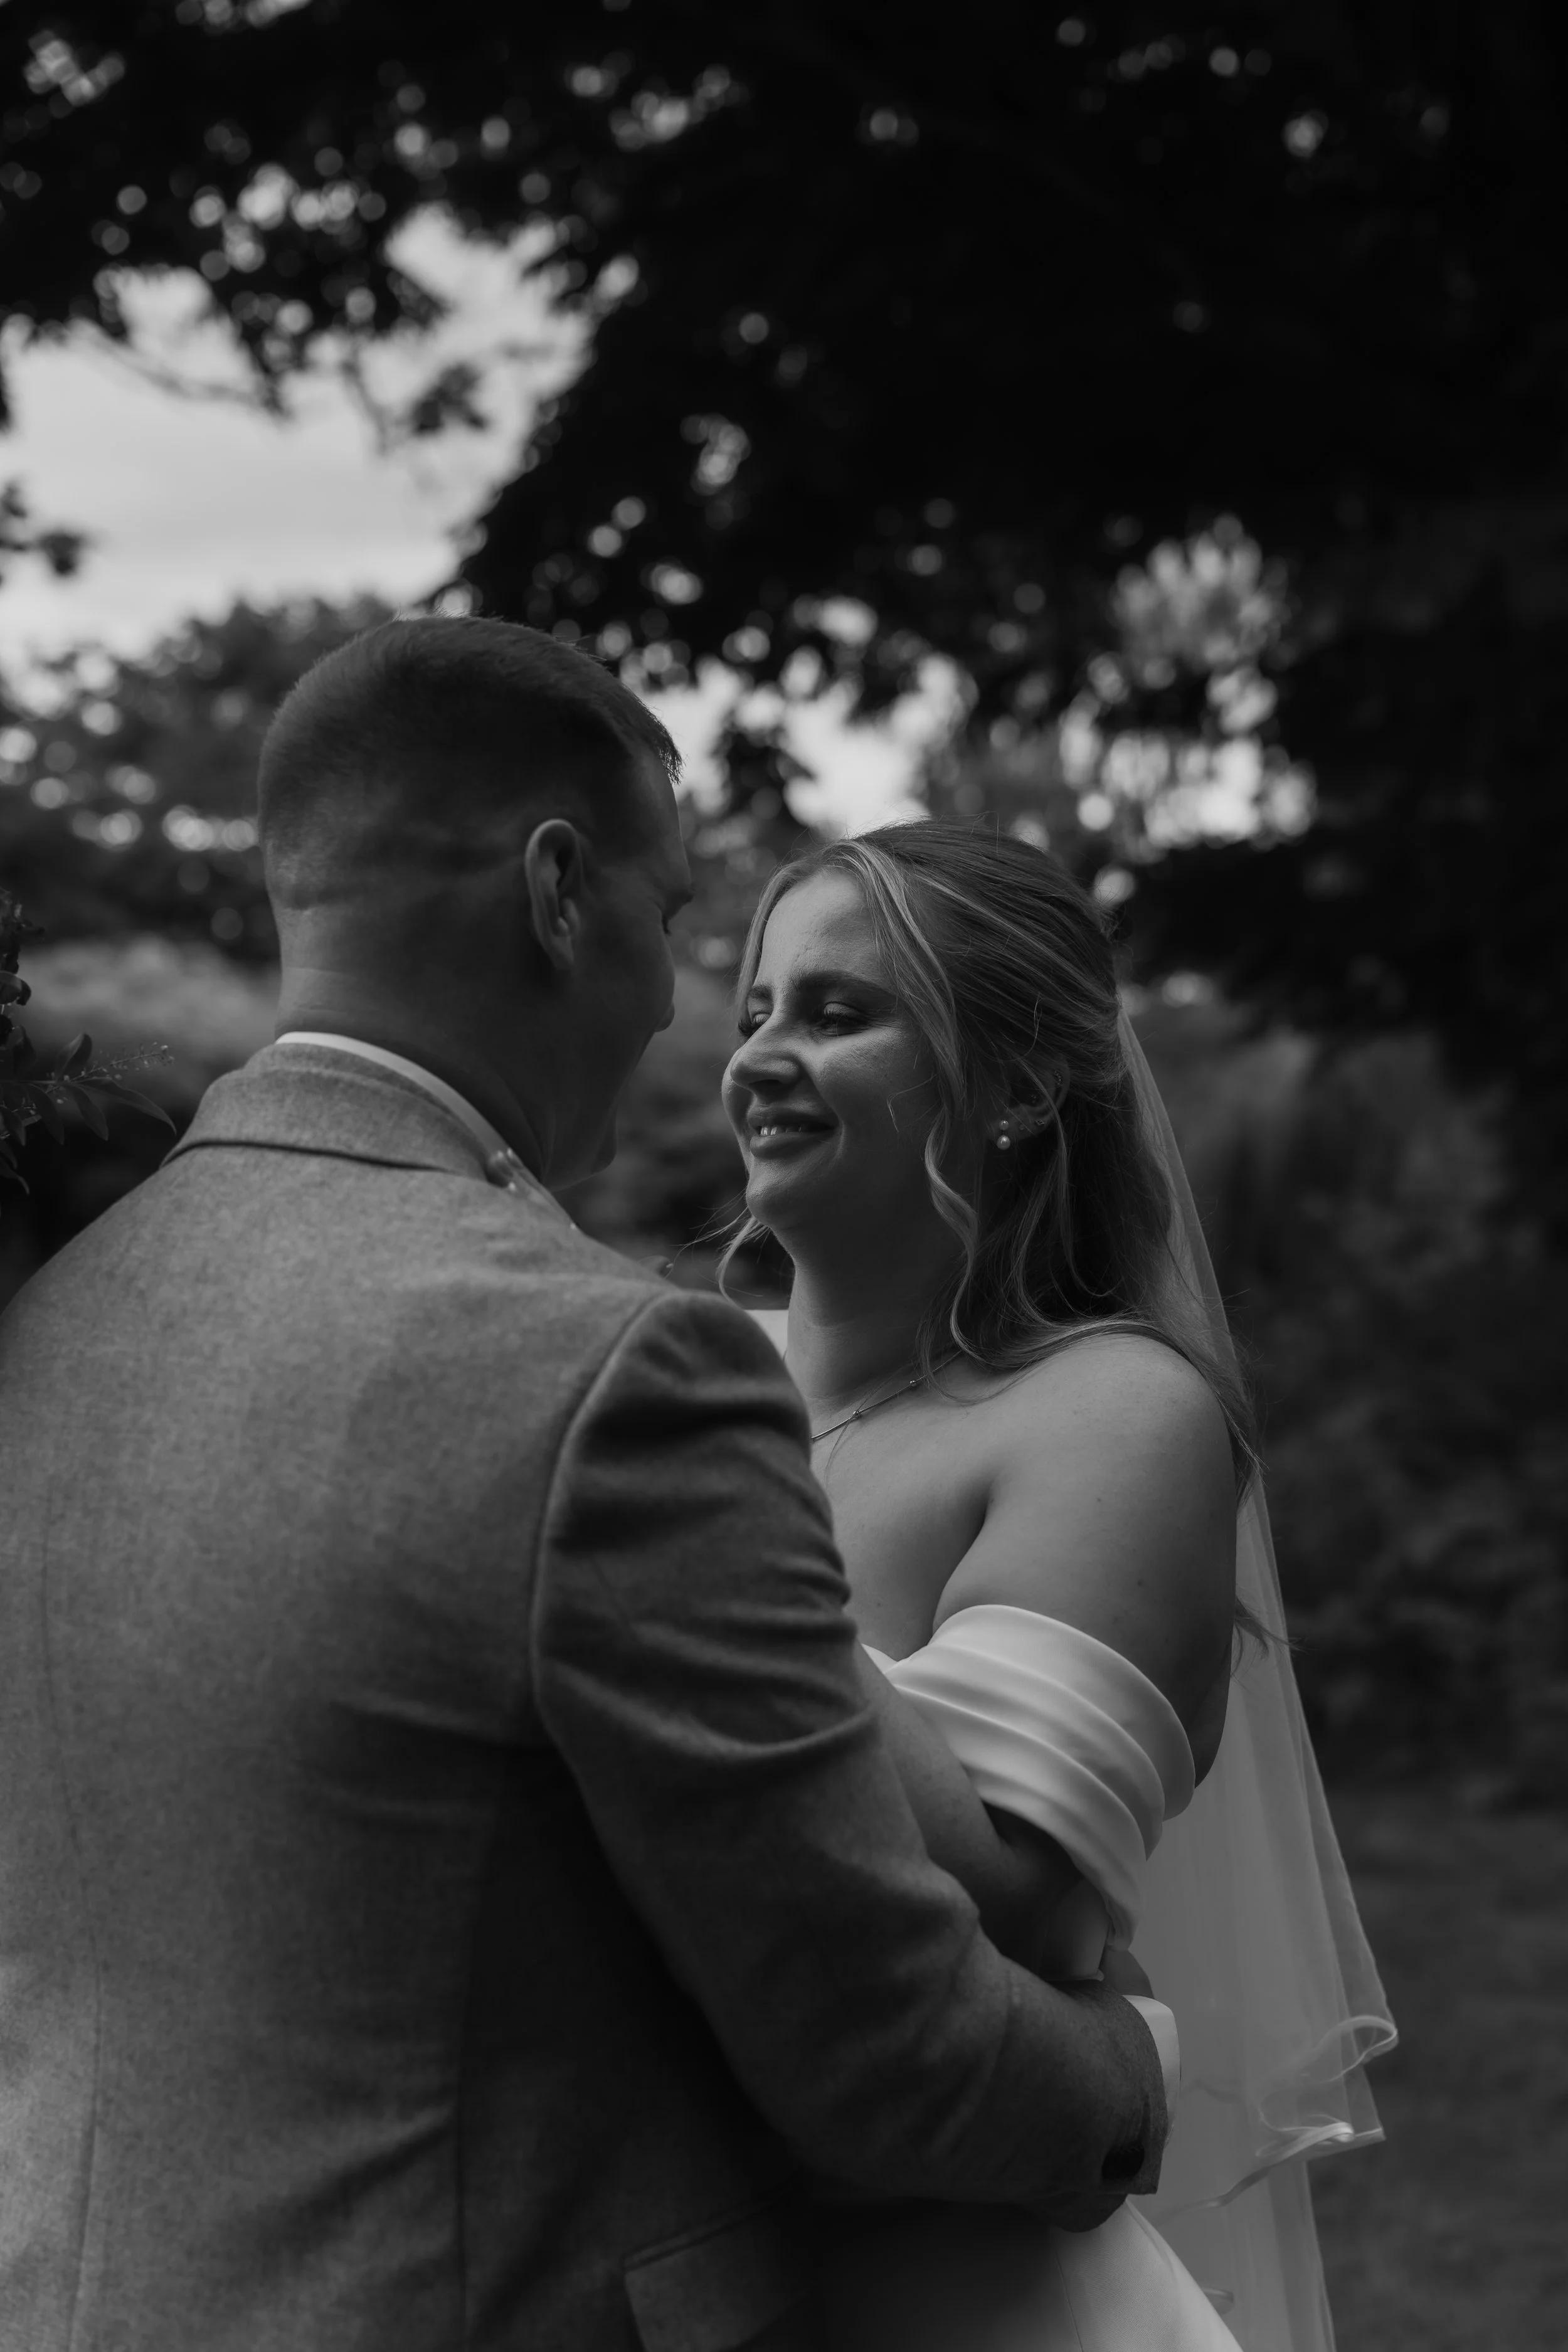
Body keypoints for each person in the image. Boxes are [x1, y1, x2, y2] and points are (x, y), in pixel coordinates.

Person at [0, 620, 1172, 2352]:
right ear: (557, 890)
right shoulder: (605, 1371)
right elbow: (886, 2055)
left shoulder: (62, 1312)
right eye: (670, 918)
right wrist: (1137, 2063)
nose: (669, 1003)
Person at [721, 821, 1396, 2352]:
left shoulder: (1108, 1413)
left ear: (1019, 1087)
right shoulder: (689, 1383)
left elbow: (1009, 1896)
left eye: (838, 1014)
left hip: (956, 2292)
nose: (761, 1055)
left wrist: (694, 1562)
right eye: (754, 1009)